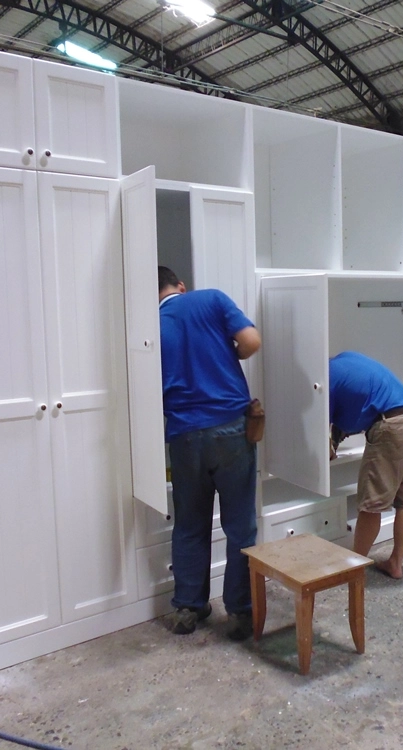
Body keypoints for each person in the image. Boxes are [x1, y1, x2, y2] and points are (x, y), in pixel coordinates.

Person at [158, 266, 261, 640]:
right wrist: (228, 352)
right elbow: (251, 342)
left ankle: (189, 607)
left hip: (183, 435)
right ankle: (240, 611)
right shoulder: (211, 299)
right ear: (180, 286)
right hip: (230, 427)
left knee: (189, 522)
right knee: (240, 525)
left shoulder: (146, 326)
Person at [329, 351, 403, 579]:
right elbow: (355, 412)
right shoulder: (347, 360)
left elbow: (325, 429)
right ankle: (395, 563)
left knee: (371, 505)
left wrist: (329, 447)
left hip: (392, 427)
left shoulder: (325, 381)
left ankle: (353, 570)